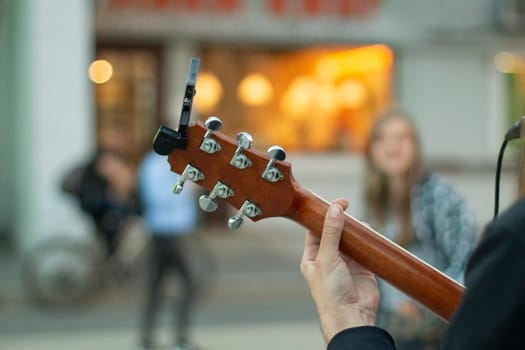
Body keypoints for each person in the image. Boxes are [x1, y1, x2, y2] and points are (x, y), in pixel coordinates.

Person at [301, 197, 525, 349]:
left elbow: (461, 252)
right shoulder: (376, 198)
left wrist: (344, 319)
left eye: (402, 138)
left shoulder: (514, 239)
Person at [362, 110, 476, 349]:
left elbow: (466, 260)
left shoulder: (439, 195)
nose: (392, 145)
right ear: (372, 149)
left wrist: (426, 306)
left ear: (415, 147)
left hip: (434, 332)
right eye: (382, 138)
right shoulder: (374, 201)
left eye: (402, 137)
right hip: (390, 325)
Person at [138, 151, 203, 350]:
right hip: (167, 231)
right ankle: (179, 339)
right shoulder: (156, 165)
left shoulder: (170, 163)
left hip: (173, 231)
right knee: (189, 283)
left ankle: (150, 338)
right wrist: (188, 189)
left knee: (158, 285)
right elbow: (157, 197)